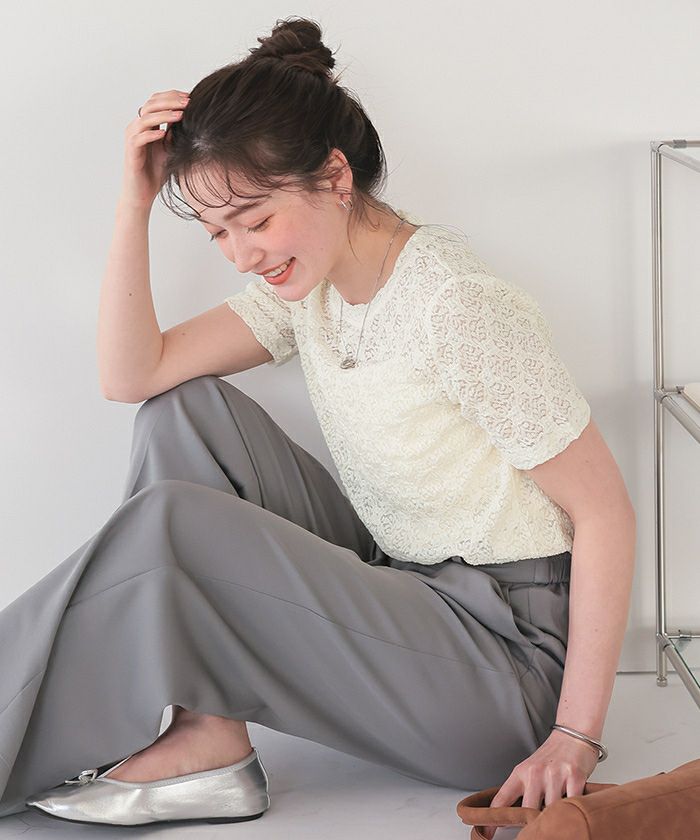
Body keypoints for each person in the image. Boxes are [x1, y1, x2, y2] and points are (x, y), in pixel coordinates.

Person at [0, 15, 636, 831]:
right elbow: (134, 376)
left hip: (503, 666)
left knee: (173, 525)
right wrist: (133, 203)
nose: (242, 254)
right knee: (183, 412)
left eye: (257, 221)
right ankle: (209, 732)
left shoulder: (455, 307)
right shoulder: (311, 286)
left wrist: (574, 736)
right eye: (219, 232)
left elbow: (605, 512)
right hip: (404, 585)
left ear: (335, 176)